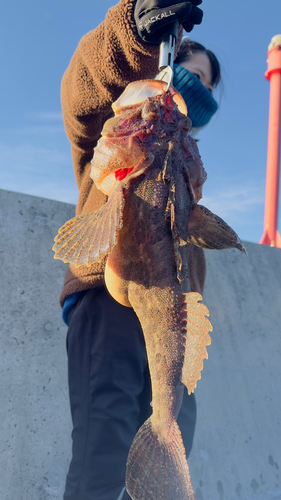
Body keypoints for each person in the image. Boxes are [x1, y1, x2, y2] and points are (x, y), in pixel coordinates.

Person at [59, 1, 221, 499]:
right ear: (166, 65)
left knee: (171, 439)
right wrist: (134, 30)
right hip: (108, 302)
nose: (199, 89)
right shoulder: (122, 119)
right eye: (192, 74)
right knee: (102, 457)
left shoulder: (182, 158)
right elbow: (82, 92)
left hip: (175, 324)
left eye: (208, 86)